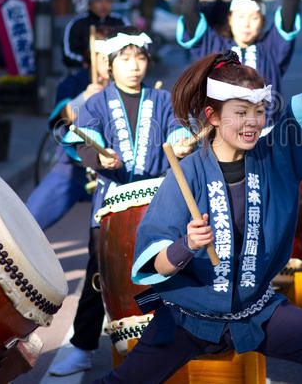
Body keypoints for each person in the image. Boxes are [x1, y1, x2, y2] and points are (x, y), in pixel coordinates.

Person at [92, 0, 302, 384]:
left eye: (259, 110)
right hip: (187, 317)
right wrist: (187, 245)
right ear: (213, 116)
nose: (253, 121)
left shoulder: (275, 156)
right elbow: (155, 260)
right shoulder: (188, 172)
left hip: (256, 312)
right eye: (241, 112)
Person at [49, 27, 194, 376]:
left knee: (171, 272)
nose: (134, 66)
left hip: (160, 204)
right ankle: (83, 347)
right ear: (110, 66)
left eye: (140, 58)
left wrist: (182, 143)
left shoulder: (162, 101)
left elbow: (177, 130)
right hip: (111, 205)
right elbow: (84, 144)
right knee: (100, 276)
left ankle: (176, 339)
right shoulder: (96, 104)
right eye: (125, 59)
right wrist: (101, 160)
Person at [177, 0, 301, 120]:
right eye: (241, 17)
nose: (247, 24)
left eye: (254, 18)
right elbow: (188, 10)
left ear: (262, 23)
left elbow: (291, 5)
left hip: (266, 139)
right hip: (223, 139)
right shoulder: (213, 47)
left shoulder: (271, 48)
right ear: (230, 19)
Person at [25, 28, 110, 230]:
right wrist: (84, 99)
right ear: (92, 57)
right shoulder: (75, 82)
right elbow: (61, 118)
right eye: (103, 57)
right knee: (27, 222)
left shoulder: (129, 87)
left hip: (112, 172)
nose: (108, 62)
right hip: (74, 168)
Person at [62, 0, 128, 69]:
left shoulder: (120, 22)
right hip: (83, 72)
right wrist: (86, 62)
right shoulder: (78, 24)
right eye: (98, 0)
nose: (104, 5)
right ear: (90, 4)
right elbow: (68, 53)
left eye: (108, 1)